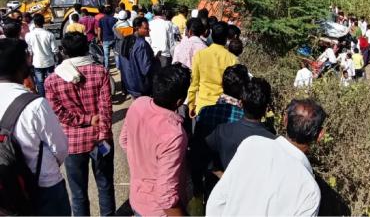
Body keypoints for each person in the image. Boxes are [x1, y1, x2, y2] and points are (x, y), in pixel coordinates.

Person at [206, 98, 326, 216]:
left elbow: (217, 201)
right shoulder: (310, 190)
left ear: (285, 120)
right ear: (320, 135)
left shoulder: (252, 144)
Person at [45, 32, 115, 216]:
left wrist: (83, 120)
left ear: (64, 51)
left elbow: (58, 112)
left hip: (72, 143)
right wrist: (103, 133)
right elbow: (106, 108)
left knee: (77, 193)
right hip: (101, 139)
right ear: (87, 47)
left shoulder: (52, 80)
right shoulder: (100, 72)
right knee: (105, 185)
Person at [0, 38, 70, 216]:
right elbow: (60, 149)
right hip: (43, 185)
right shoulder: (35, 104)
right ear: (19, 65)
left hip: (6, 188)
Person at [119, 64, 191, 216]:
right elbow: (166, 196)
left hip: (137, 198)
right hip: (158, 211)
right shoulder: (174, 135)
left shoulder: (138, 104)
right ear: (179, 101)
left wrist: (143, 162)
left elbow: (124, 140)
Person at [191, 65, 250, 199]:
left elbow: (197, 149)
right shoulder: (245, 118)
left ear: (222, 85)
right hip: (236, 184)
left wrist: (197, 184)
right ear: (244, 90)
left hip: (210, 177)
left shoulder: (205, 112)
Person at [206, 78, 275, 171]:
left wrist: (222, 176)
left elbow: (201, 155)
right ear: (266, 108)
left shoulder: (222, 131)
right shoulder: (273, 141)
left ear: (240, 103)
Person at [188, 21, 238, 116]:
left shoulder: (200, 55)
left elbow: (194, 83)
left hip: (202, 106)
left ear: (212, 35)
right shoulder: (233, 60)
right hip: (222, 109)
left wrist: (191, 104)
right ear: (226, 38)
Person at [119, 17, 155, 99]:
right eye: (146, 28)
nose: (149, 30)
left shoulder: (126, 40)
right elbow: (145, 69)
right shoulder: (141, 44)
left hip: (129, 84)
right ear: (137, 28)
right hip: (140, 86)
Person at [25, 14, 58, 97]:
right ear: (43, 22)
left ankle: (42, 97)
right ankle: (53, 96)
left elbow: (30, 50)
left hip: (37, 62)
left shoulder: (28, 35)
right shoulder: (49, 34)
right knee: (51, 81)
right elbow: (55, 50)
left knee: (40, 82)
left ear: (34, 23)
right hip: (49, 62)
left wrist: (30, 61)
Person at [98, 5, 117, 70]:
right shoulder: (115, 19)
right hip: (114, 39)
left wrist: (99, 38)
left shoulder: (101, 20)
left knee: (106, 55)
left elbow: (99, 30)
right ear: (111, 12)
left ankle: (107, 68)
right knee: (116, 54)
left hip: (105, 39)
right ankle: (118, 67)